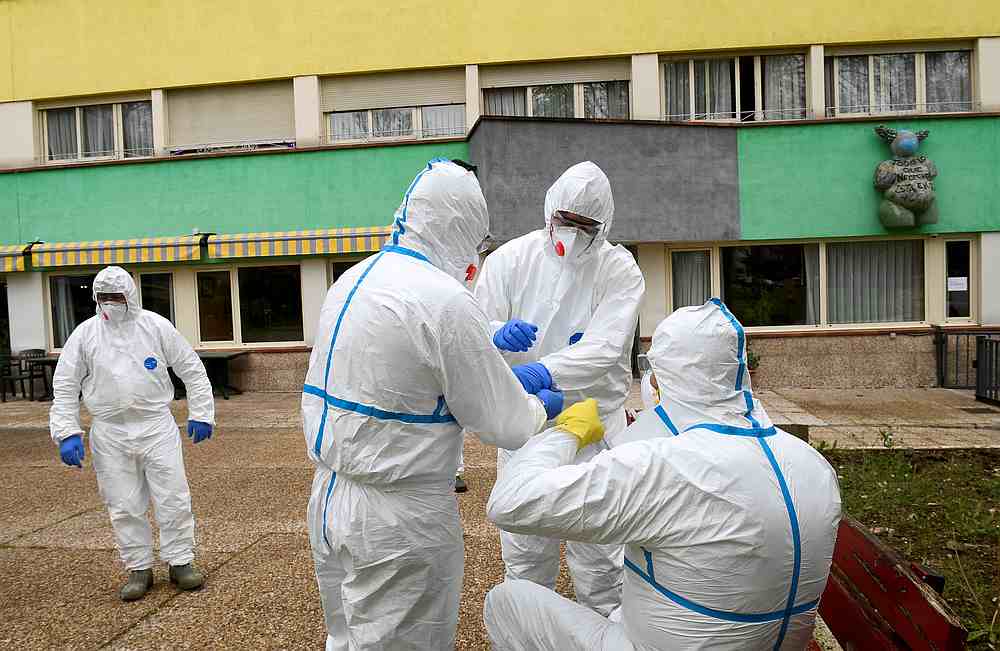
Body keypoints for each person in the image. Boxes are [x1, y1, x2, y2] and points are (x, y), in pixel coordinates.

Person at [302, 158, 564, 651]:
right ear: (464, 229)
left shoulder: (353, 279)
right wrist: (539, 404)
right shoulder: (444, 298)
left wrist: (491, 356)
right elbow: (503, 424)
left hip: (331, 499)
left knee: (346, 637)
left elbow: (402, 363)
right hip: (398, 517)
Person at [483, 299, 843, 650]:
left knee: (507, 600)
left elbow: (510, 501)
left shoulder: (668, 467)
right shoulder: (813, 465)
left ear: (664, 379)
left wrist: (566, 433)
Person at [474, 160, 645, 616]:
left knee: (600, 560)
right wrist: (495, 332)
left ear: (603, 227)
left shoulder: (618, 269)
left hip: (591, 426)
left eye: (584, 226)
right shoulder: (510, 260)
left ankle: (607, 636)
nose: (570, 234)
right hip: (527, 424)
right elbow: (470, 326)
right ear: (549, 211)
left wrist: (543, 373)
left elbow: (605, 349)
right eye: (564, 221)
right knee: (527, 551)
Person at [49, 266, 215, 602]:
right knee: (123, 503)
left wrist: (201, 413)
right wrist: (67, 431)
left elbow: (191, 369)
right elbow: (65, 385)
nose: (111, 303)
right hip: (110, 432)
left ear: (130, 296)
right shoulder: (84, 335)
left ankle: (181, 561)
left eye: (117, 297)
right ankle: (138, 567)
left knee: (172, 496)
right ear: (96, 299)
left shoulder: (155, 327)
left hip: (156, 426)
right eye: (104, 298)